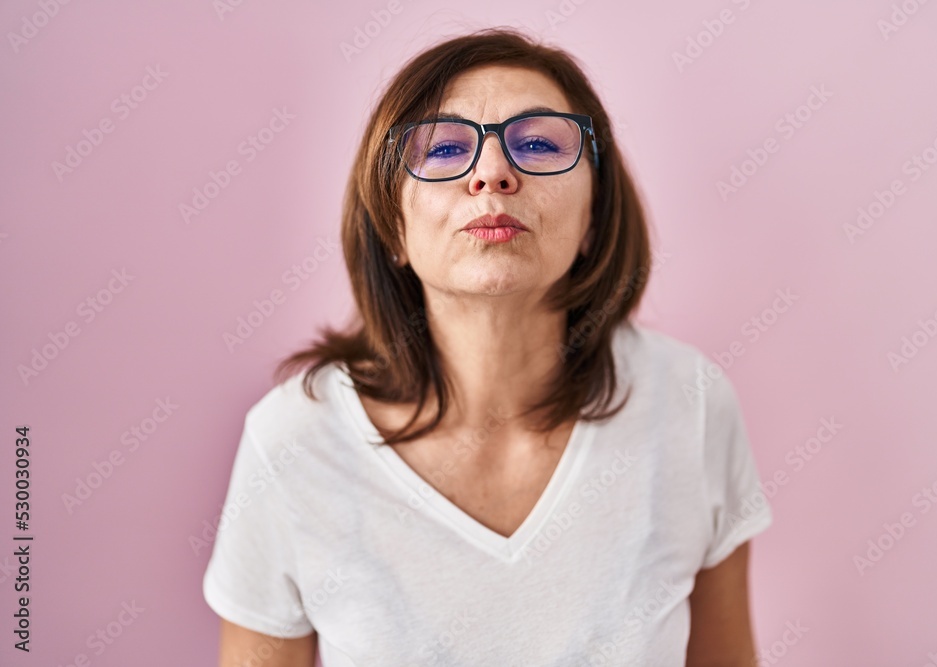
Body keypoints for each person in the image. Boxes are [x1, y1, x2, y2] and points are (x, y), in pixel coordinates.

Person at [202, 27, 773, 667]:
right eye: (444, 149)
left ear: (594, 214)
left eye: (537, 143)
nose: (493, 173)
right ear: (392, 224)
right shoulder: (293, 443)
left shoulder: (689, 405)